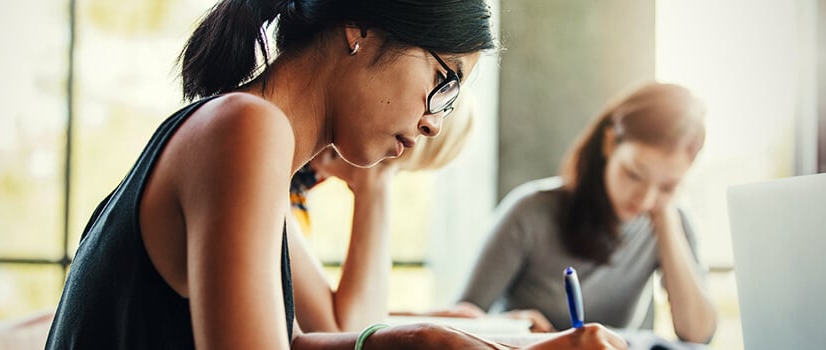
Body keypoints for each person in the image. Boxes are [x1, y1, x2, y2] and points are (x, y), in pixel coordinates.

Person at [45, 0, 627, 349]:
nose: (433, 124)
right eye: (443, 83)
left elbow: (285, 344)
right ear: (361, 28)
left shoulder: (239, 131)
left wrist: (433, 339)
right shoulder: (245, 129)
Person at [456, 82, 718, 343]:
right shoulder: (531, 212)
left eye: (667, 186)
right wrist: (506, 328)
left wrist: (665, 219)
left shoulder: (670, 219)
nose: (646, 198)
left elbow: (698, 334)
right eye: (635, 175)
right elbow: (456, 323)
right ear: (609, 144)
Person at [289, 93, 485, 333]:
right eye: (395, 167)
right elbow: (351, 333)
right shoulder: (279, 179)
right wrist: (374, 184)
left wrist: (417, 317)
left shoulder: (297, 184)